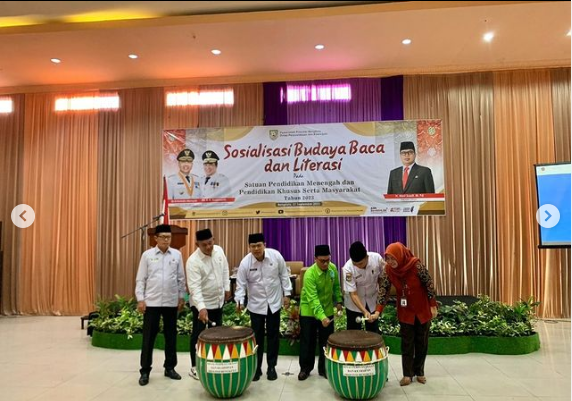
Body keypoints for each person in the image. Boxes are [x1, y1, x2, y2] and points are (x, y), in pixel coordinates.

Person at [375, 242, 438, 386]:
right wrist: (378, 310)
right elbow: (383, 290)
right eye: (388, 258)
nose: (391, 261)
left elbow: (429, 284)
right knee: (407, 343)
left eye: (393, 258)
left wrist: (433, 305)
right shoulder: (388, 270)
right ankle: (407, 374)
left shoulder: (416, 265)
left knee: (422, 343)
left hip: (422, 310)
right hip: (405, 312)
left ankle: (419, 372)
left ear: (400, 255)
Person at [234, 233, 292, 381]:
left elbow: (284, 275)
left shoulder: (276, 256)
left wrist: (287, 294)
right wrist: (239, 301)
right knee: (257, 338)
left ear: (264, 245)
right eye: (253, 246)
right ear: (249, 247)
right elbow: (240, 285)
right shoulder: (245, 263)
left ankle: (271, 367)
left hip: (274, 304)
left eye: (259, 245)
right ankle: (257, 368)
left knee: (273, 337)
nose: (256, 249)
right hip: (256, 306)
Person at [135, 224, 186, 386]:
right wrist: (140, 299)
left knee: (171, 336)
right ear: (155, 238)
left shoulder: (177, 255)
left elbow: (181, 279)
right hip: (152, 302)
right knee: (148, 338)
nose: (166, 240)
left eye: (168, 237)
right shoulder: (147, 255)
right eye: (163, 237)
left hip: (171, 302)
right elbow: (141, 279)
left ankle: (170, 367)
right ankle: (145, 371)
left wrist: (182, 297)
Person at [186, 228, 231, 380]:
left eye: (210, 243)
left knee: (217, 333)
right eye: (204, 245)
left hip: (217, 301)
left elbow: (225, 270)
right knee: (198, 335)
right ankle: (195, 366)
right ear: (197, 244)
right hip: (202, 305)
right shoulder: (193, 262)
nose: (208, 247)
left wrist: (227, 288)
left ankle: (215, 363)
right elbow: (194, 288)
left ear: (213, 240)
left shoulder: (219, 251)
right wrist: (201, 308)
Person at [298, 245, 343, 381]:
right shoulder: (309, 274)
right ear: (315, 259)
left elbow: (336, 286)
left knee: (326, 341)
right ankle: (305, 369)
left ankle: (324, 369)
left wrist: (339, 301)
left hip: (327, 308)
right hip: (309, 311)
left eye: (328, 260)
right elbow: (313, 299)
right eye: (322, 261)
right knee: (308, 341)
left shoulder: (332, 269)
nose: (325, 264)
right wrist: (322, 317)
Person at [342, 241, 384, 333]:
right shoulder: (347, 269)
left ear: (367, 257)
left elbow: (382, 279)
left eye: (360, 264)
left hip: (372, 299)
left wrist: (380, 300)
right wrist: (365, 311)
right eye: (355, 264)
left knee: (373, 331)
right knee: (354, 332)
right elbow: (353, 294)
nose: (358, 266)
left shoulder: (377, 259)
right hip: (354, 304)